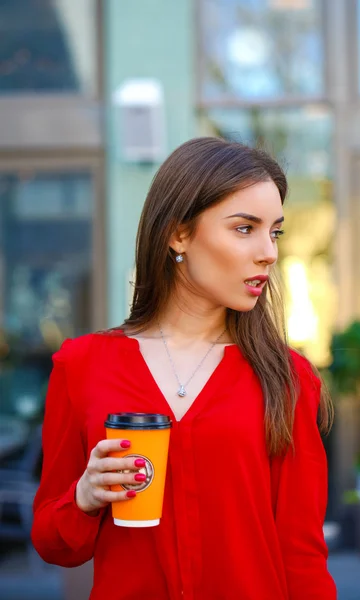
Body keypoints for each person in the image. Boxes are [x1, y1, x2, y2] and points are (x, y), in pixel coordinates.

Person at [31, 137, 337, 600]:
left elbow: (303, 558)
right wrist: (84, 497)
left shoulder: (287, 377)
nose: (268, 252)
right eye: (243, 228)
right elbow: (54, 543)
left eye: (274, 231)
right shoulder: (83, 366)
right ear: (178, 234)